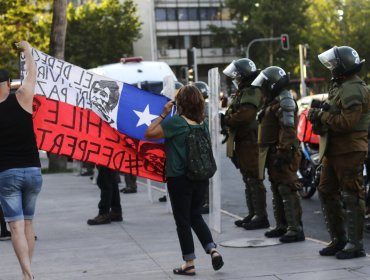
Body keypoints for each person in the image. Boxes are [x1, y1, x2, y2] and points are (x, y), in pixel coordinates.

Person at [144, 85, 224, 276]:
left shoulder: (175, 123)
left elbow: (149, 133)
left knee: (182, 221)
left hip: (179, 179)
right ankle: (213, 250)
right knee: (195, 215)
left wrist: (163, 114)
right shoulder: (202, 123)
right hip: (201, 177)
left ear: (180, 103)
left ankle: (189, 263)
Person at [308, 46, 369, 259]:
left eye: (334, 63)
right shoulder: (341, 86)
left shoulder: (353, 88)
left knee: (351, 195)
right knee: (325, 191)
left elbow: (347, 123)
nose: (331, 67)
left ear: (342, 65)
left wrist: (321, 117)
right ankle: (339, 239)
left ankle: (355, 244)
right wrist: (318, 115)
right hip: (334, 150)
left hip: (350, 149)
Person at [0, 41, 42, 280]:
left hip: (6, 174)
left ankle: (28, 274)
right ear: (9, 84)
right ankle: (27, 272)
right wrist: (27, 50)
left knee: (14, 226)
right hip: (33, 172)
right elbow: (32, 74)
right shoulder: (23, 97)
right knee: (28, 224)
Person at [251, 66, 305, 243]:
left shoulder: (284, 100)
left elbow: (288, 129)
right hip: (273, 151)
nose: (263, 88)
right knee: (276, 188)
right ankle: (282, 225)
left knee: (287, 188)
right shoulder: (273, 101)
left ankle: (295, 229)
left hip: (283, 152)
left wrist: (282, 152)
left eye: (266, 84)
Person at [222, 58, 269, 230]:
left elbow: (245, 115)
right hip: (243, 141)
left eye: (237, 75)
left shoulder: (251, 90)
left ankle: (261, 216)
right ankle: (253, 213)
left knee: (254, 178)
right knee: (248, 178)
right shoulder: (244, 91)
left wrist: (227, 120)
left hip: (250, 140)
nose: (235, 78)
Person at [193, 81, 211, 214]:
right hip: (200, 145)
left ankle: (206, 202)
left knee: (204, 176)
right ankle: (203, 201)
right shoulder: (201, 108)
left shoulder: (206, 109)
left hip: (204, 146)